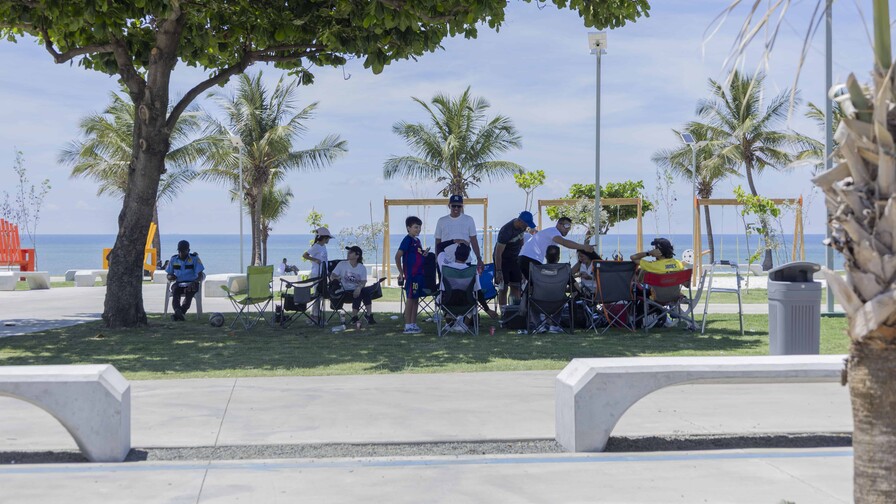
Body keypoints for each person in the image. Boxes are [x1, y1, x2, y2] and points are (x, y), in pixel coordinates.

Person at [518, 217, 594, 282]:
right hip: (530, 260)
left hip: (526, 259)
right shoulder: (553, 231)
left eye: (569, 227)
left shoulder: (550, 235)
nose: (568, 229)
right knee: (545, 282)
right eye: (566, 226)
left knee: (540, 282)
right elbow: (564, 242)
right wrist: (584, 247)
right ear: (559, 224)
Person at [438, 243, 499, 320]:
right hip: (467, 303)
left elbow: (439, 247)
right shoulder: (472, 271)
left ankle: (451, 324)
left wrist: (454, 241)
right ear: (467, 258)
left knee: (442, 297)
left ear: (455, 254)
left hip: (447, 301)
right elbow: (478, 292)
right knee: (473, 301)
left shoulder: (445, 266)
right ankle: (463, 327)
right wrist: (487, 309)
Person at [494, 211, 537, 306]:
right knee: (503, 288)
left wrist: (522, 263)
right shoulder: (506, 231)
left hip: (515, 259)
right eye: (526, 224)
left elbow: (521, 243)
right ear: (520, 221)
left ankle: (515, 311)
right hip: (503, 260)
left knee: (516, 286)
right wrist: (498, 271)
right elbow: (498, 253)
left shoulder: (522, 228)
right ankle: (504, 313)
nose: (526, 227)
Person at [434, 195, 484, 272]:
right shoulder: (441, 221)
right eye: (454, 206)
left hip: (465, 262)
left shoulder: (469, 220)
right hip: (446, 263)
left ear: (462, 206)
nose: (456, 208)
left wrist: (479, 258)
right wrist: (437, 259)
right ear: (449, 206)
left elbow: (474, 240)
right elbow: (438, 241)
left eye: (459, 206)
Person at [330, 245, 377, 327]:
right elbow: (332, 276)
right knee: (360, 293)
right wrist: (336, 278)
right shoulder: (342, 264)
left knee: (364, 291)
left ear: (357, 255)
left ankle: (367, 315)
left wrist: (359, 288)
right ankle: (357, 316)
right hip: (344, 290)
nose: (348, 253)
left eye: (351, 252)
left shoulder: (361, 268)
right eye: (348, 252)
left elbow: (363, 281)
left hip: (357, 290)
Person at [395, 216, 427, 334]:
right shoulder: (407, 240)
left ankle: (413, 323)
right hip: (411, 275)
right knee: (410, 298)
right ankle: (407, 325)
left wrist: (424, 254)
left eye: (419, 227)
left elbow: (418, 254)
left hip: (419, 274)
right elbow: (398, 256)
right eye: (415, 227)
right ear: (408, 228)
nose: (418, 230)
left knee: (415, 299)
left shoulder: (417, 241)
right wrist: (401, 272)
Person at [165, 240, 205, 321]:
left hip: (192, 282)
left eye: (183, 251)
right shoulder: (173, 259)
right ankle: (177, 310)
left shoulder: (194, 259)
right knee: (175, 290)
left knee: (189, 293)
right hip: (179, 283)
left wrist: (195, 282)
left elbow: (200, 274)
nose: (181, 253)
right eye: (179, 251)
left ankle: (180, 312)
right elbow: (168, 274)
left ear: (188, 250)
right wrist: (170, 277)